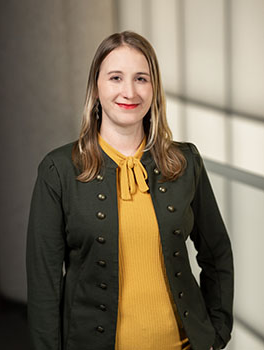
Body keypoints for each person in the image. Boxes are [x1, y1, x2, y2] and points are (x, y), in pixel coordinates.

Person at [26, 31, 234, 350]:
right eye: (115, 77)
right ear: (96, 88)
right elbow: (44, 284)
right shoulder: (58, 171)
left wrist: (217, 333)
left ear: (154, 89)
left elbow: (216, 252)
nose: (129, 91)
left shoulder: (186, 161)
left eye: (141, 78)